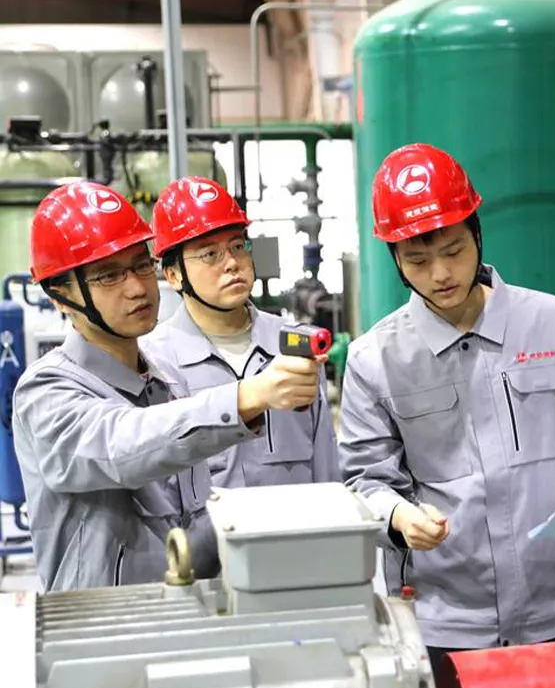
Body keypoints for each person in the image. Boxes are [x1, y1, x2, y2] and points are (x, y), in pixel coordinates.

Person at [337, 143, 555, 670]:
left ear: (477, 234)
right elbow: (364, 479)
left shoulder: (554, 324)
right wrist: (398, 516)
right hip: (443, 620)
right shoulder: (375, 359)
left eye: (454, 251)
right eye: (417, 260)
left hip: (554, 608)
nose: (440, 273)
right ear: (395, 260)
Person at [12, 182, 325, 592]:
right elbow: (120, 445)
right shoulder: (45, 390)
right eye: (109, 275)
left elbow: (190, 532)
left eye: (142, 265)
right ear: (59, 294)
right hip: (100, 620)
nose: (137, 287)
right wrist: (247, 396)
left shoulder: (164, 383)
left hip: (181, 612)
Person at [141, 176, 339, 489]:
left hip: (299, 521)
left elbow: (327, 467)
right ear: (174, 274)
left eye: (237, 246)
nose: (232, 263)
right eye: (210, 254)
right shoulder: (153, 363)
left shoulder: (295, 344)